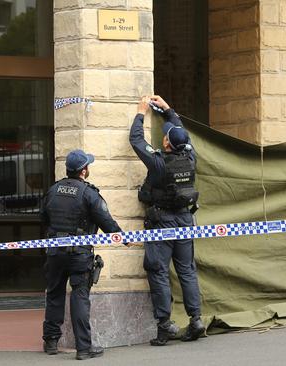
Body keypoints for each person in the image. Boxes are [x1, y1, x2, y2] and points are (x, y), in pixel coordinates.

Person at [130, 95, 205, 346]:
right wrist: (168, 110)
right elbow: (183, 135)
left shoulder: (159, 163)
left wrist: (141, 113)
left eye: (166, 134)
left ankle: (165, 325)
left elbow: (136, 140)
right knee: (187, 270)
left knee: (158, 271)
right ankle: (196, 320)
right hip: (185, 219)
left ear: (166, 143)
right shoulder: (190, 156)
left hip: (163, 222)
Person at [41, 149, 123, 360]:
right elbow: (106, 221)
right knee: (79, 297)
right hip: (79, 255)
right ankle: (83, 348)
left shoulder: (53, 190)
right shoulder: (88, 193)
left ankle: (51, 341)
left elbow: (43, 217)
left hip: (55, 251)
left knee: (55, 294)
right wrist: (122, 237)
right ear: (83, 171)